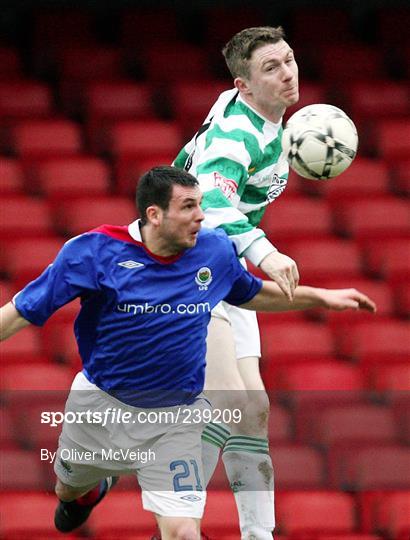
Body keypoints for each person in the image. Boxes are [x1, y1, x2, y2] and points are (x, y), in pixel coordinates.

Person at [0, 166, 376, 540]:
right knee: (68, 489)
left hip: (176, 418)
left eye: (200, 205)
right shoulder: (94, 252)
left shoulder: (213, 251)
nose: (201, 215)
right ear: (154, 214)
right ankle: (88, 491)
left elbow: (251, 293)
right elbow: (22, 312)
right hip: (100, 408)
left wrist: (321, 297)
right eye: (189, 206)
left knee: (182, 533)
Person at [173, 25, 314, 539]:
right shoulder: (239, 134)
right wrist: (265, 252)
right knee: (231, 401)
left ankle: (260, 535)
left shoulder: (274, 121)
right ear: (243, 86)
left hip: (220, 262)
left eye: (289, 60)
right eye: (270, 68)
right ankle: (176, 521)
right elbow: (207, 201)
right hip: (184, 266)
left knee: (253, 410)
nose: (287, 72)